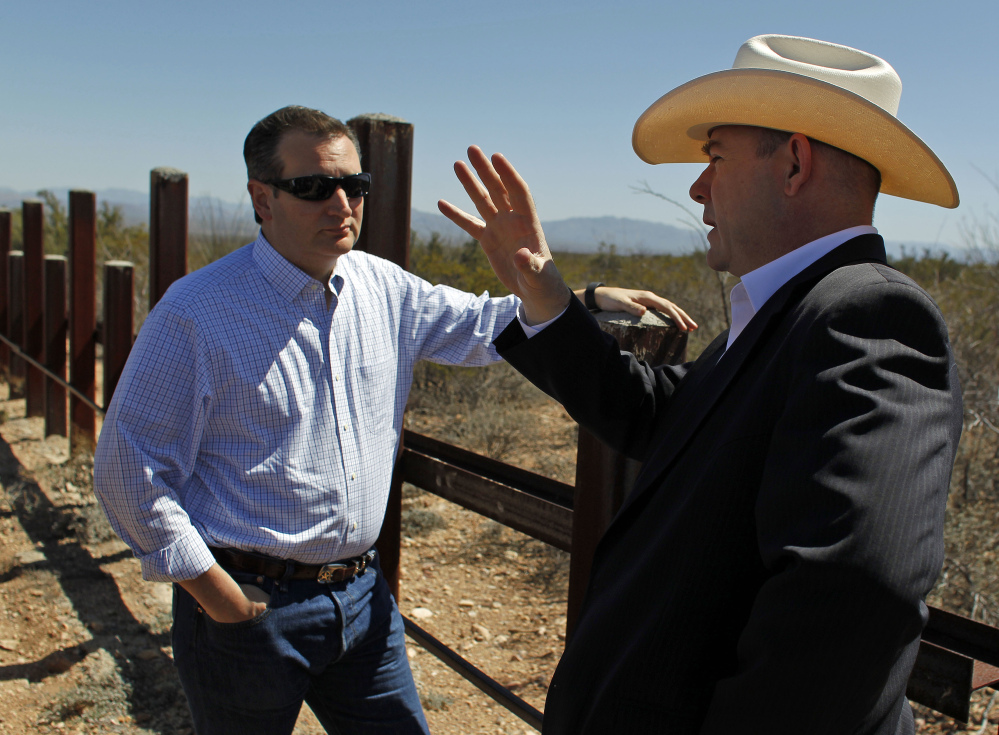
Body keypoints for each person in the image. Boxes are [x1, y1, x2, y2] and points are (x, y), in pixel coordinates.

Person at [92, 104, 695, 735]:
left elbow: (481, 326)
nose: (341, 204)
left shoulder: (381, 286)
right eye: (313, 187)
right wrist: (221, 598)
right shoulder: (197, 311)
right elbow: (129, 469)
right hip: (249, 607)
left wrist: (586, 299)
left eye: (354, 186)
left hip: (362, 599)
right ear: (261, 198)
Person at [439, 35, 964, 734]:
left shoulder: (865, 315)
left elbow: (848, 602)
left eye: (714, 155)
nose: (696, 186)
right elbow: (665, 415)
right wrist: (544, 294)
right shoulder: (796, 312)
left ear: (793, 163)